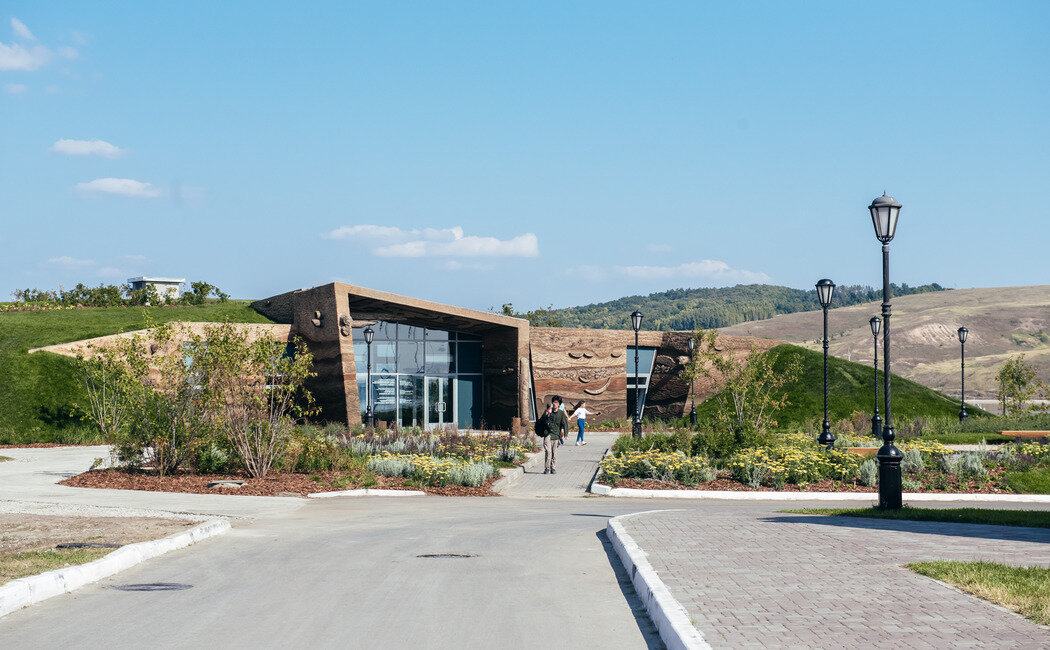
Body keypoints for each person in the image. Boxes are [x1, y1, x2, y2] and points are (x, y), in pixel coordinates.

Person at [541, 396, 568, 474]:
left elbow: (565, 424)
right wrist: (546, 414)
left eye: (556, 402)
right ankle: (547, 468)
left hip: (556, 435)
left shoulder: (561, 413)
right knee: (548, 452)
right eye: (553, 402)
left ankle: (553, 468)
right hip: (548, 434)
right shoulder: (548, 411)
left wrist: (565, 434)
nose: (554, 404)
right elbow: (542, 420)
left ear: (559, 404)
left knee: (554, 453)